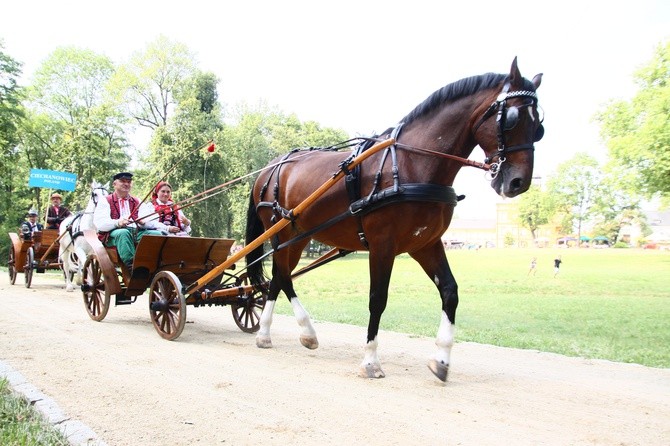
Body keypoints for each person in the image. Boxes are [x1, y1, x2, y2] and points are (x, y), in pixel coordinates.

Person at [93, 172, 163, 273]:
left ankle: (153, 264)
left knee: (156, 234)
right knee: (123, 233)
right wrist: (118, 223)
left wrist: (143, 222)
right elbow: (100, 223)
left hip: (135, 232)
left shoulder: (137, 201)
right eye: (122, 181)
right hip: (112, 235)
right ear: (114, 184)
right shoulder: (105, 201)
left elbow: (151, 220)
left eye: (129, 182)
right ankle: (133, 267)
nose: (126, 184)